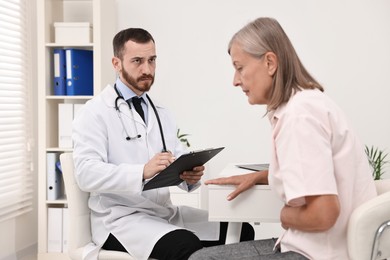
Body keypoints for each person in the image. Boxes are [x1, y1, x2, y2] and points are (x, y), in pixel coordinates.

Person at [189, 17, 377, 260]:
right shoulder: (305, 103)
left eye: (240, 67)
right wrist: (260, 176)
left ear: (269, 62)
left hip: (318, 254)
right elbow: (319, 168)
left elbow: (323, 214)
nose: (235, 81)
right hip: (308, 245)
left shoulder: (299, 116)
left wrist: (284, 215)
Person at [72, 28, 254, 260]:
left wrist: (188, 175)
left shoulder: (160, 112)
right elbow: (86, 174)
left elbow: (175, 156)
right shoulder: (94, 112)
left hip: (163, 214)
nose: (147, 69)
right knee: (185, 245)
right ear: (116, 63)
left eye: (152, 60)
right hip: (121, 219)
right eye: (137, 61)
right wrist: (142, 172)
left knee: (241, 230)